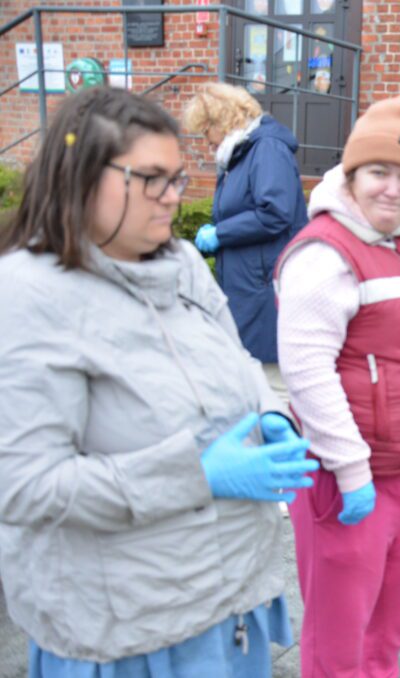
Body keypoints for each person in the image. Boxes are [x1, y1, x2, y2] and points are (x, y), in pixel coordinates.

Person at [0, 87, 319, 677]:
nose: (175, 197)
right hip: (127, 631)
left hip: (226, 605)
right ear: (79, 175)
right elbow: (25, 485)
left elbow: (239, 360)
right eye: (152, 178)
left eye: (178, 178)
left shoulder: (178, 264)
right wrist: (197, 474)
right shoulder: (26, 294)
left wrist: (269, 416)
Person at [275, 95, 400, 678]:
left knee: (388, 630)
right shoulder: (324, 255)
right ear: (351, 174)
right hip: (349, 482)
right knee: (338, 645)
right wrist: (352, 470)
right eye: (380, 172)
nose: (393, 189)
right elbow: (307, 373)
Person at [182, 82, 307, 402]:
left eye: (205, 130)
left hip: (266, 287)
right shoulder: (244, 152)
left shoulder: (266, 149)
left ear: (221, 122)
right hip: (251, 285)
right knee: (255, 385)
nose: (205, 141)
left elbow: (275, 212)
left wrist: (220, 234)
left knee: (275, 388)